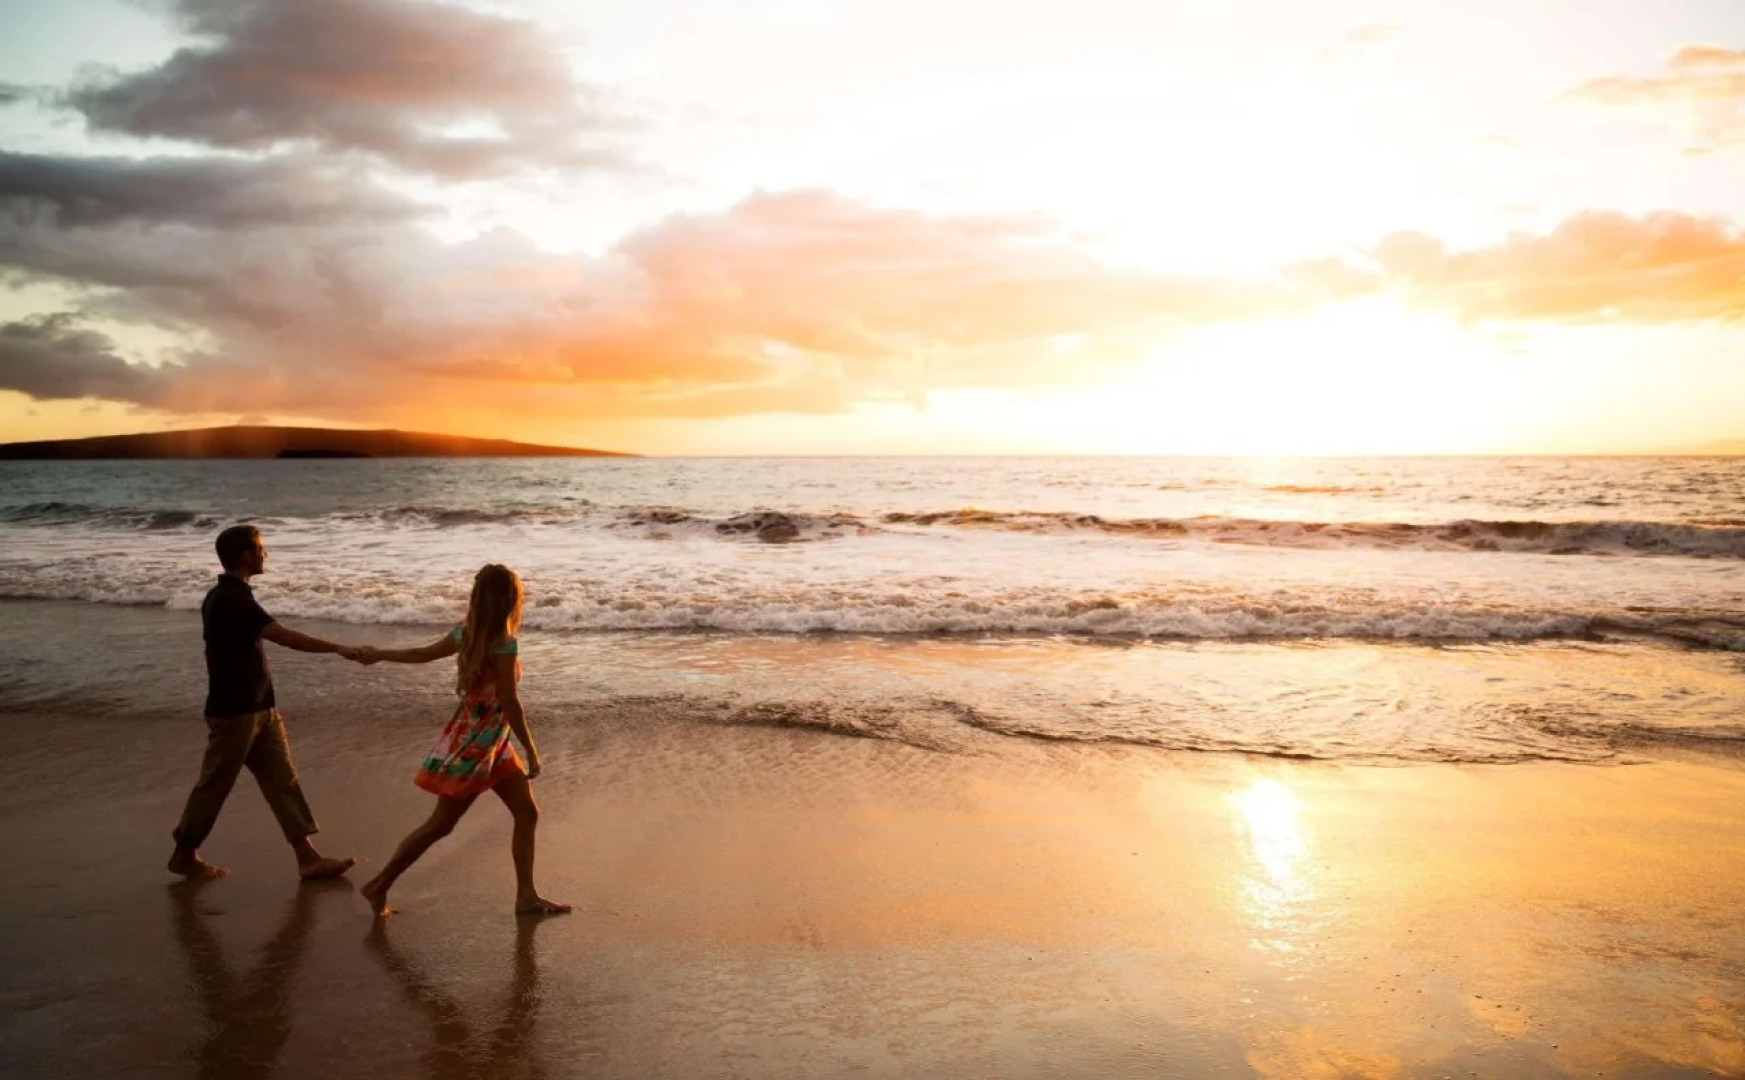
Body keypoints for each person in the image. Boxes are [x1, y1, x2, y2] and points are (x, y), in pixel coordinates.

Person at [352, 564, 570, 917]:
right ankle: (379, 884)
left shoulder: (465, 633)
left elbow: (421, 654)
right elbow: (510, 701)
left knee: (526, 812)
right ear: (510, 600)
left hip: (484, 740)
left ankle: (526, 896)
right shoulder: (504, 644)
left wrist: (379, 654)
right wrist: (531, 748)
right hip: (478, 746)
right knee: (440, 825)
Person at [168, 524, 360, 881]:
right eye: (260, 548)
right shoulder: (231, 598)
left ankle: (308, 859)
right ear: (245, 555)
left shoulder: (230, 595)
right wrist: (337, 648)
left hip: (261, 708)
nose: (265, 553)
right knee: (214, 785)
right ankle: (184, 853)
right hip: (235, 711)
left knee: (282, 780)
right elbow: (281, 635)